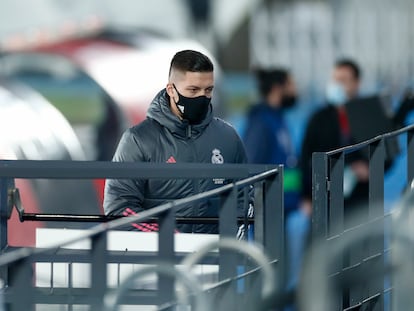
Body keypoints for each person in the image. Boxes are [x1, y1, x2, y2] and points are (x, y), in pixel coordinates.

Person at [103, 50, 248, 234]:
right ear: (171, 89)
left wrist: (229, 239)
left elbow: (244, 197)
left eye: (208, 90)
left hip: (214, 257)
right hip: (158, 259)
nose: (202, 97)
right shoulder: (138, 140)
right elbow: (119, 208)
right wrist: (169, 239)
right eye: (193, 90)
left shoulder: (228, 137)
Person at [243, 68, 308, 295]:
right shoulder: (261, 122)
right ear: (278, 88)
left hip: (283, 208)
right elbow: (251, 165)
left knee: (282, 272)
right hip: (268, 209)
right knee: (270, 273)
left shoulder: (277, 118)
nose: (296, 90)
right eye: (291, 84)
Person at [300, 59, 370, 224]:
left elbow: (385, 152)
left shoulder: (368, 116)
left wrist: (369, 168)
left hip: (359, 201)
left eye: (343, 80)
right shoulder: (318, 119)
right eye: (335, 80)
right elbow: (305, 156)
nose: (337, 85)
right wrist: (306, 196)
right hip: (325, 200)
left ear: (356, 83)